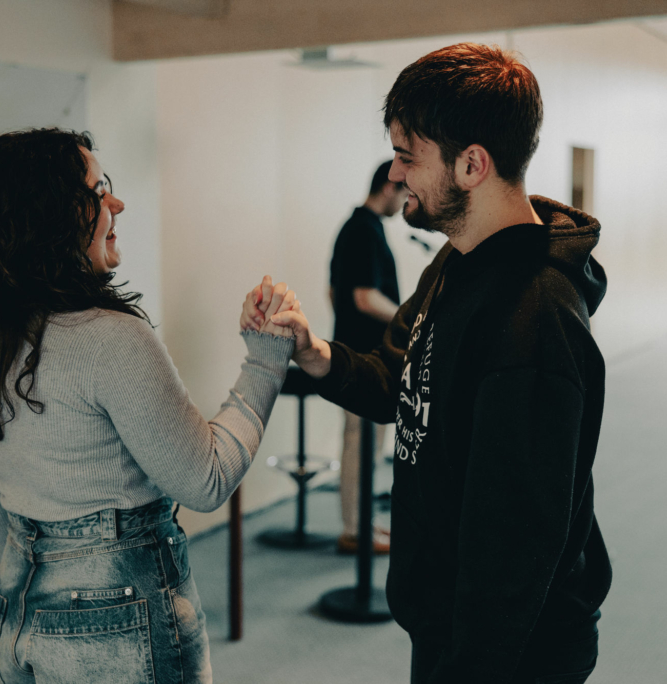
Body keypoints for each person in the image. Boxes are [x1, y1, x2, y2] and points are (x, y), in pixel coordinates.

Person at [246, 43, 612, 684]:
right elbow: (398, 383)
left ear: (472, 165)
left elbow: (516, 548)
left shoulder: (535, 324)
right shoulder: (454, 264)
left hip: (511, 655)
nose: (395, 174)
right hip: (446, 625)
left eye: (407, 157)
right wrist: (314, 351)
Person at [0, 128, 297, 684]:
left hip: (15, 612)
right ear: (53, 215)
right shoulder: (110, 339)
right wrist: (267, 359)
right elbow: (205, 479)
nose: (116, 203)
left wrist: (47, 571)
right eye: (96, 189)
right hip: (119, 622)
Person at [329, 160, 408, 554]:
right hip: (363, 358)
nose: (407, 201)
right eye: (405, 192)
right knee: (360, 444)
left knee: (362, 444)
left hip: (354, 353)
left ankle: (361, 526)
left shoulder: (355, 228)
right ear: (389, 188)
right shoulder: (364, 230)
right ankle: (355, 531)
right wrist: (410, 321)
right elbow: (363, 296)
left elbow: (335, 294)